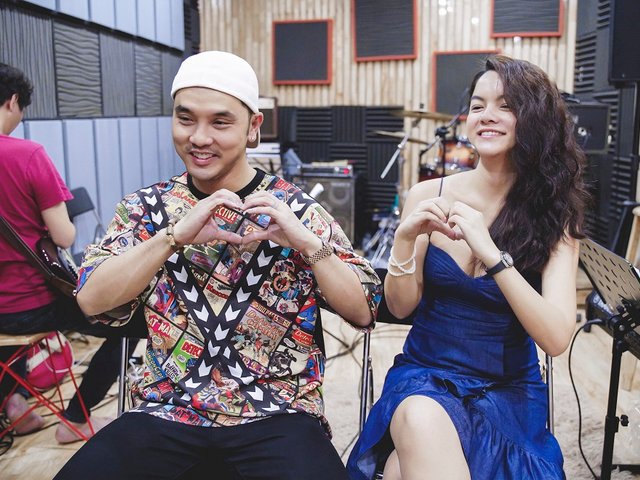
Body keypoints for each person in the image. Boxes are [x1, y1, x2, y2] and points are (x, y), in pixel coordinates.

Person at [55, 50, 381, 480]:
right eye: (185, 119)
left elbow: (363, 311)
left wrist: (307, 243)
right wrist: (172, 238)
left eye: (220, 122)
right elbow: (91, 300)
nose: (199, 137)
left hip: (279, 413)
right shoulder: (146, 209)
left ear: (253, 128)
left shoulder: (296, 209)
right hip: (166, 409)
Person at [347, 55, 589, 479]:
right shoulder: (427, 194)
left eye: (505, 106)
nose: (486, 116)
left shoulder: (555, 215)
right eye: (478, 106)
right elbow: (400, 307)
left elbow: (555, 339)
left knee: (402, 469)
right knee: (420, 416)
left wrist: (493, 256)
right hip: (426, 375)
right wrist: (404, 240)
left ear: (535, 119)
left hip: (508, 392)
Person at [0, 63, 139, 443]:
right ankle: (75, 419)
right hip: (29, 305)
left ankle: (15, 406)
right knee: (130, 322)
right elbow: (64, 237)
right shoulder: (27, 155)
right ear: (13, 101)